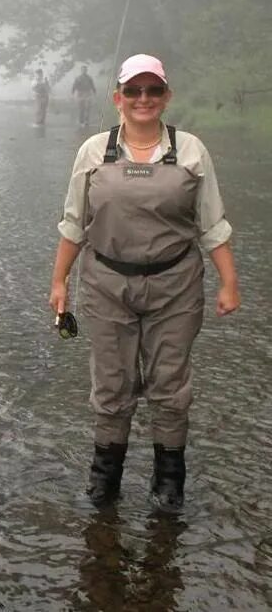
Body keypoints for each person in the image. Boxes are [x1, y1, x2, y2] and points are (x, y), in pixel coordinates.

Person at [49, 53, 240, 512]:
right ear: (118, 98)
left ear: (165, 96)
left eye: (153, 90)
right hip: (105, 285)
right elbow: (74, 222)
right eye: (133, 90)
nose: (143, 99)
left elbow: (212, 223)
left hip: (176, 285)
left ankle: (169, 479)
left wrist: (228, 282)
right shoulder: (94, 151)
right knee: (112, 385)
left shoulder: (191, 150)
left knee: (170, 385)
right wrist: (59, 281)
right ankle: (105, 478)